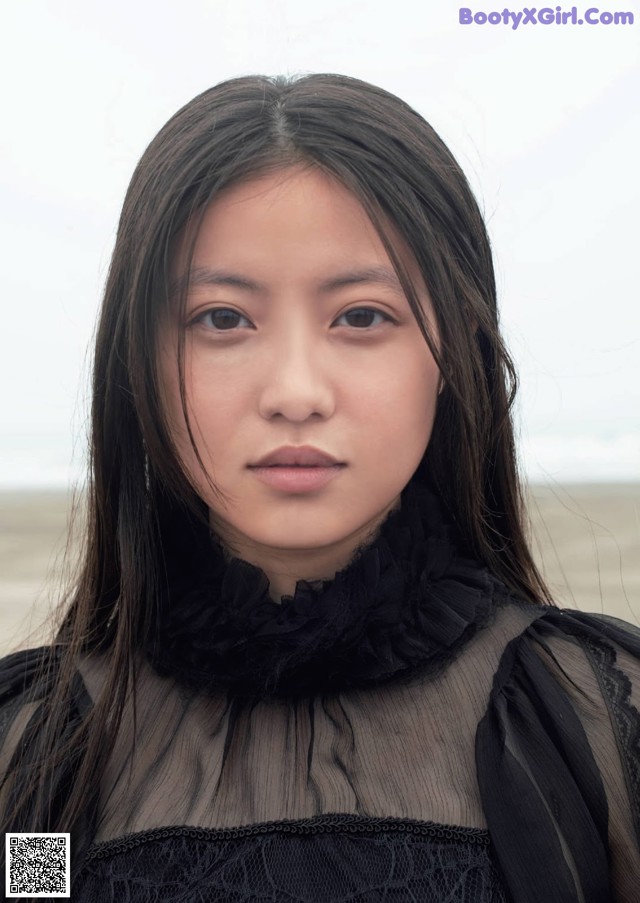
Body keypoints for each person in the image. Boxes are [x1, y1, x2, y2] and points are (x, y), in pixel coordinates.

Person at [1, 73, 638, 903]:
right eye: (222, 319)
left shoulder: (587, 727)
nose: (296, 391)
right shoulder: (39, 766)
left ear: (457, 355)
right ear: (139, 366)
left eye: (362, 316)